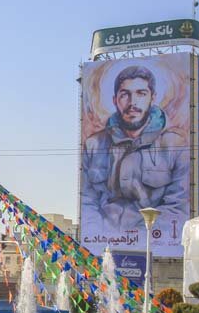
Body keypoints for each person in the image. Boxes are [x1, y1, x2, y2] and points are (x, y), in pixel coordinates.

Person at [81, 65, 189, 230]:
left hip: (153, 242)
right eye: (125, 94)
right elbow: (87, 202)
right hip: (101, 241)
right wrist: (102, 235)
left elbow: (177, 206)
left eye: (141, 93)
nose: (132, 103)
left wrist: (139, 238)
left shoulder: (175, 145)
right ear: (114, 99)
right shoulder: (94, 145)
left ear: (153, 98)